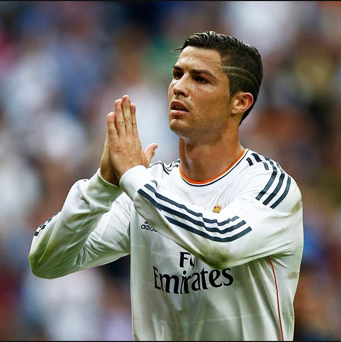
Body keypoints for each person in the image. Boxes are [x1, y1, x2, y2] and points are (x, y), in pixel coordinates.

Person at [29, 31, 304, 341]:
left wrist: (133, 177)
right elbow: (46, 261)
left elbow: (221, 244)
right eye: (177, 74)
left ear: (239, 102)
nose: (180, 87)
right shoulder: (150, 186)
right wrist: (102, 185)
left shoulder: (269, 185)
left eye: (200, 79)